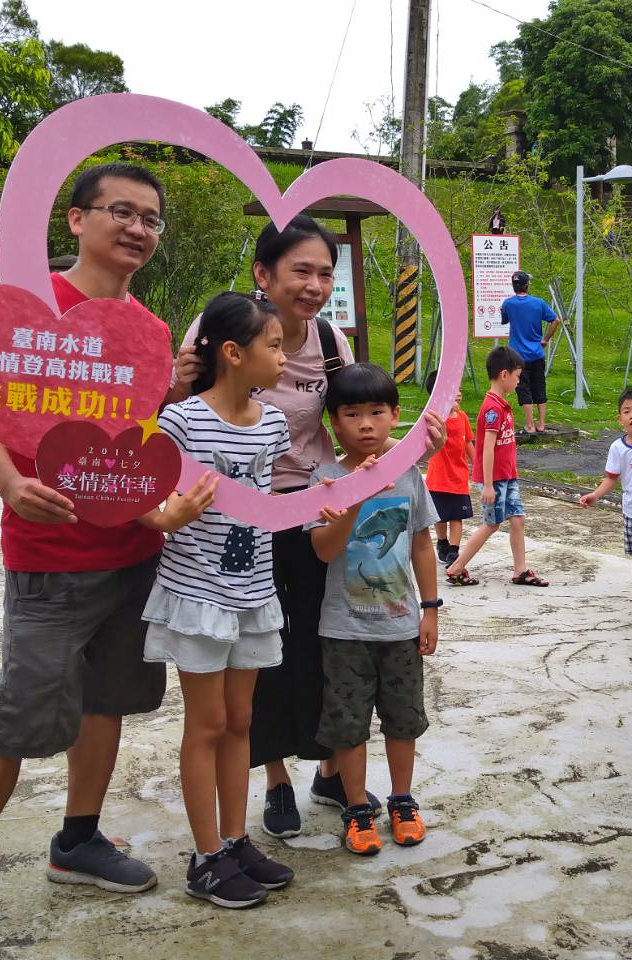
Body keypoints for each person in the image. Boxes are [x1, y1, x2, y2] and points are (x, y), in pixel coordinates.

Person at [0, 163, 200, 959]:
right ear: (76, 220)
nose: (138, 228)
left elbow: (128, 443)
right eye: (122, 211)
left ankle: (77, 840)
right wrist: (7, 479)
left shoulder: (144, 330)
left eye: (151, 218)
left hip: (133, 553)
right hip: (48, 556)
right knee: (14, 721)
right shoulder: (28, 307)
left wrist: (171, 401)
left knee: (105, 704)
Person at [196, 216, 448, 841]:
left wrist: (413, 446)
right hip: (243, 516)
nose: (313, 285)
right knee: (261, 656)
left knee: (321, 646)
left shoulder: (330, 339)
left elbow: (359, 413)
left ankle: (333, 772)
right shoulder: (220, 328)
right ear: (264, 274)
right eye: (300, 271)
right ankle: (277, 777)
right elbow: (185, 409)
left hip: (320, 509)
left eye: (324, 273)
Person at [144, 291, 295, 908]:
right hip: (198, 592)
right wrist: (165, 518)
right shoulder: (182, 422)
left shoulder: (275, 423)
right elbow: (143, 497)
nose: (284, 358)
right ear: (234, 353)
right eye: (275, 345)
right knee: (206, 724)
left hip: (253, 592)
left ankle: (234, 841)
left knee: (240, 723)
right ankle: (205, 857)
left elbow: (277, 500)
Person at [308, 363, 441, 855]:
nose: (366, 424)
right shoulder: (325, 480)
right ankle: (357, 808)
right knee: (349, 723)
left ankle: (402, 800)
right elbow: (323, 550)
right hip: (343, 629)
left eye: (377, 412)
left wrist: (430, 609)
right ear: (334, 423)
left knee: (403, 719)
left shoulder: (409, 475)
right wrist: (352, 496)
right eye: (353, 414)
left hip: (401, 626)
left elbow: (423, 546)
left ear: (395, 417)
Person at [445, 345, 548, 587]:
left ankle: (520, 570)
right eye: (517, 376)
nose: (518, 381)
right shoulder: (492, 408)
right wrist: (488, 485)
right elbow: (488, 448)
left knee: (518, 518)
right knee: (491, 523)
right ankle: (456, 567)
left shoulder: (501, 405)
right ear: (504, 375)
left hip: (507, 476)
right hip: (495, 479)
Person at [578, 388, 632, 622]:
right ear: (619, 419)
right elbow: (611, 479)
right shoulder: (618, 448)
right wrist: (595, 496)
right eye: (627, 412)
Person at [501, 271, 560, 434]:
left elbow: (504, 320)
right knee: (539, 386)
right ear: (527, 285)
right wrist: (545, 339)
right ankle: (541, 423)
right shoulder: (538, 303)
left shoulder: (508, 304)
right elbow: (555, 320)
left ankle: (529, 425)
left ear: (514, 286)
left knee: (524, 388)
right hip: (537, 354)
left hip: (517, 356)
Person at [426, 384, 474, 569]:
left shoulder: (462, 418)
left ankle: (454, 549)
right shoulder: (435, 419)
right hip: (438, 478)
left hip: (458, 477)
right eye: (455, 391)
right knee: (440, 516)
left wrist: (477, 466)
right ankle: (442, 541)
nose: (459, 394)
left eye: (461, 389)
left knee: (456, 516)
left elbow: (469, 443)